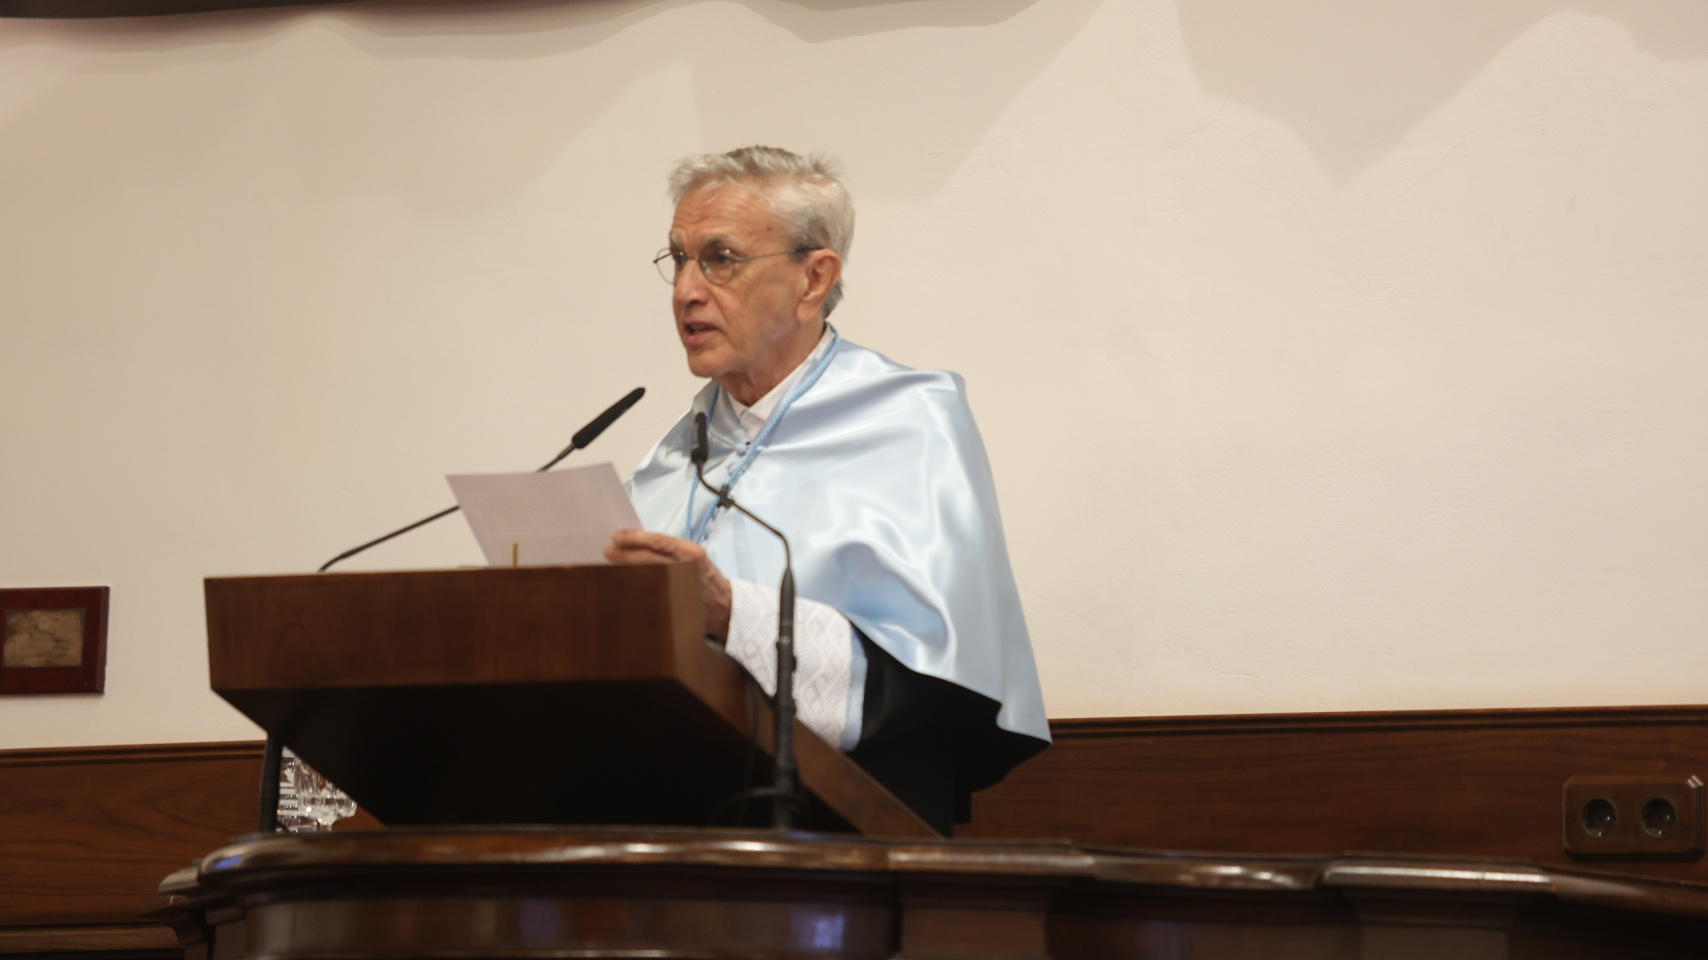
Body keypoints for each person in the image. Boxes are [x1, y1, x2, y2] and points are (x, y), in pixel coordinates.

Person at [606, 146, 1048, 834]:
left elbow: (926, 681)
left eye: (720, 258)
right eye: (679, 258)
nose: (685, 290)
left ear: (814, 279)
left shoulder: (910, 420)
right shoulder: (678, 448)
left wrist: (733, 614)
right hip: (668, 833)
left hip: (845, 845)